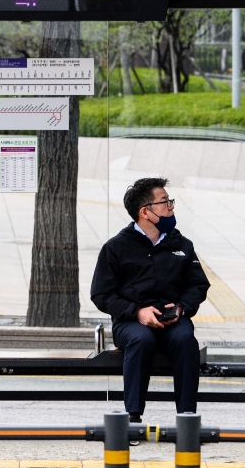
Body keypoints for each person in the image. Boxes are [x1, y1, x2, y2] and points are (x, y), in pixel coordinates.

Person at [90, 178, 210, 424]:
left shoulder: (181, 244)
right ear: (145, 212)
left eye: (170, 201)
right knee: (141, 339)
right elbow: (101, 294)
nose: (171, 207)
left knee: (185, 339)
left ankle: (187, 419)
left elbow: (198, 285)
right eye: (165, 202)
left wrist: (182, 308)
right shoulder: (116, 247)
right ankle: (132, 418)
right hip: (131, 321)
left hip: (173, 320)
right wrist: (137, 312)